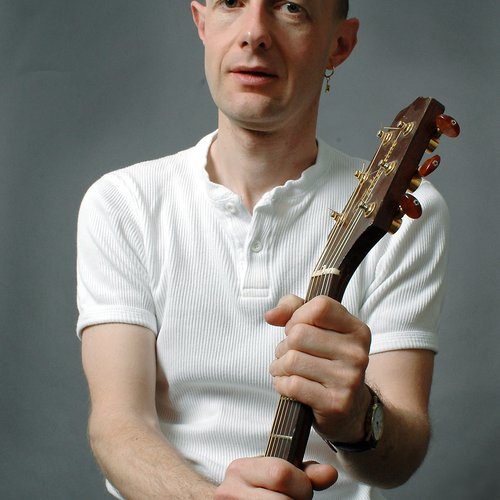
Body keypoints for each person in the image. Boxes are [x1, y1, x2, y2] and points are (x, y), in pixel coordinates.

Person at [77, 1, 448, 498]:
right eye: (231, 3)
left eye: (291, 7)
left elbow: (399, 459)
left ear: (339, 44)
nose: (254, 33)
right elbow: (118, 425)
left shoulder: (408, 214)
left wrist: (356, 414)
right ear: (201, 21)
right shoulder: (123, 203)